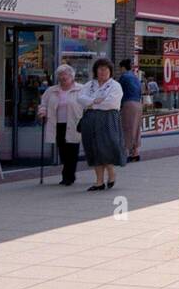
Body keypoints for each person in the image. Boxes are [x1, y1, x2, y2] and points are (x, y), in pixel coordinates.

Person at [75, 57, 125, 191]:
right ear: (95, 71)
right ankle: (98, 181)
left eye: (105, 69)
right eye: (100, 69)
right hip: (90, 120)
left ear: (110, 71)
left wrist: (92, 103)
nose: (102, 72)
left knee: (106, 147)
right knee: (93, 149)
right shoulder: (89, 85)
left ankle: (111, 173)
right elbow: (80, 98)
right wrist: (95, 101)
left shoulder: (115, 86)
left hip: (108, 119)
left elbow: (111, 103)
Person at [36, 64, 83, 186]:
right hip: (58, 124)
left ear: (71, 77)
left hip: (74, 123)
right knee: (62, 150)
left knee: (72, 150)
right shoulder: (51, 91)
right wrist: (42, 112)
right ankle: (67, 173)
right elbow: (43, 104)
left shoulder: (81, 89)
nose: (62, 79)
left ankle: (68, 176)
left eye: (65, 77)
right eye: (60, 77)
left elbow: (86, 105)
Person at [118, 58, 144, 162]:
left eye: (120, 68)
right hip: (138, 104)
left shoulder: (124, 77)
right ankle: (136, 152)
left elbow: (118, 92)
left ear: (122, 67)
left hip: (128, 104)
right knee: (136, 129)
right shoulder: (135, 77)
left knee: (127, 128)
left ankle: (126, 153)